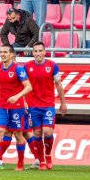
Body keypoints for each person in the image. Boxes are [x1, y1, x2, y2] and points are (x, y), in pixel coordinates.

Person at [0, 44, 32, 170]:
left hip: (17, 107)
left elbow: (29, 87)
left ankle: (20, 163)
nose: (2, 54)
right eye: (1, 52)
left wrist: (17, 96)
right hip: (2, 106)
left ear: (11, 54)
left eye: (5, 52)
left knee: (18, 135)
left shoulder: (18, 69)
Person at [25, 41, 67, 170]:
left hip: (48, 104)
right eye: (35, 51)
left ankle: (48, 155)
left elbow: (58, 84)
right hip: (32, 105)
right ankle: (42, 161)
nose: (38, 53)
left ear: (44, 52)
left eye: (40, 51)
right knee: (37, 133)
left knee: (48, 132)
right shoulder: (27, 67)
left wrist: (63, 102)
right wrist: (24, 101)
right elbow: (22, 85)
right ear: (32, 53)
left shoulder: (52, 65)